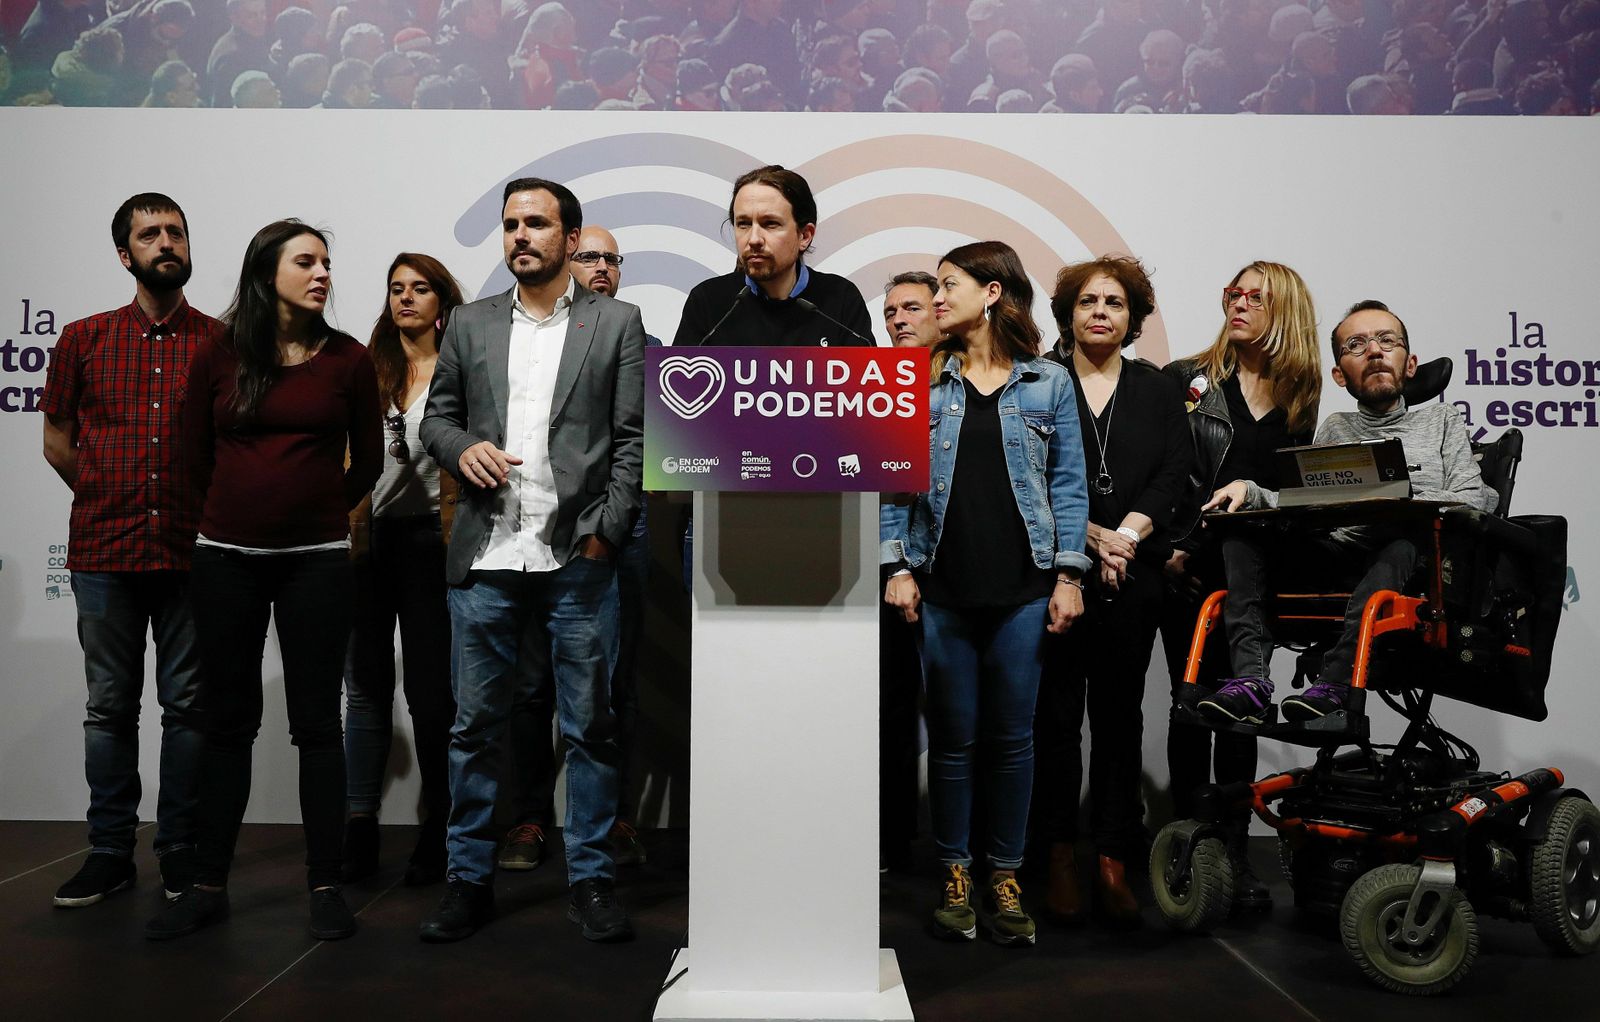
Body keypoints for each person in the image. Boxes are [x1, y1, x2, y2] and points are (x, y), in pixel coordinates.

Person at [418, 178, 645, 944]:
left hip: (577, 557)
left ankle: (591, 881)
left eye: (537, 223)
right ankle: (466, 882)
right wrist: (460, 449)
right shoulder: (470, 322)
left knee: (589, 730)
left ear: (570, 239)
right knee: (473, 730)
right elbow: (437, 419)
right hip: (486, 555)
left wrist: (605, 532)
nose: (520, 235)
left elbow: (632, 441)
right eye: (511, 223)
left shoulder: (617, 322)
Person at [146, 220, 382, 941]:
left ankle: (325, 886)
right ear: (265, 274)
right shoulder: (218, 355)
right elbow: (193, 457)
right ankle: (206, 885)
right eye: (306, 261)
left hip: (317, 563)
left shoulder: (348, 359)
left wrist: (316, 513)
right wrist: (237, 517)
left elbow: (369, 463)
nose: (322, 274)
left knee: (318, 726)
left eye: (327, 263)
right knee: (227, 725)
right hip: (226, 561)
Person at [882, 241, 1091, 947]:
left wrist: (1069, 576)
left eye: (949, 286)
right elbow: (892, 486)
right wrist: (896, 568)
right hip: (942, 589)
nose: (937, 300)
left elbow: (1068, 486)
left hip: (1025, 590)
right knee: (951, 741)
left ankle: (1004, 875)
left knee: (1012, 741)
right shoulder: (917, 378)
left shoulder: (1048, 382)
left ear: (993, 293)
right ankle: (955, 872)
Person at [40, 193, 217, 909]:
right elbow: (57, 442)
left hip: (192, 552)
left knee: (189, 709)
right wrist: (108, 492)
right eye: (150, 235)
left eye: (176, 232)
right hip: (103, 551)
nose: (166, 243)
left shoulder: (222, 343)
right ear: (125, 254)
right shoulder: (82, 339)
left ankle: (178, 848)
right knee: (109, 709)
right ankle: (110, 852)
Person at [1198, 300, 1496, 724]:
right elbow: (1302, 500)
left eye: (1386, 341)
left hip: (1409, 560)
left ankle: (1336, 681)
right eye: (1356, 345)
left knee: (1402, 543)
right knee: (1242, 536)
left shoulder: (1441, 419)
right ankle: (1251, 681)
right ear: (1340, 375)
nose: (1374, 351)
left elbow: (1475, 497)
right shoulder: (1336, 427)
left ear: (1410, 364)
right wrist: (1250, 489)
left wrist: (1400, 498)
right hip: (1337, 556)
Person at [1032, 256, 1190, 927]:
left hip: (1135, 573)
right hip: (1055, 575)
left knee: (1121, 721)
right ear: (1067, 313)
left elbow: (1174, 472)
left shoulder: (1158, 388)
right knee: (1055, 722)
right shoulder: (1039, 381)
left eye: (1115, 303)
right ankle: (1057, 856)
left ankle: (1113, 859)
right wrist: (1090, 538)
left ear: (1133, 318)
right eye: (1088, 301)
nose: (1100, 312)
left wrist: (1123, 537)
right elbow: (1029, 476)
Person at [1159, 260, 1322, 911]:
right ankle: (1188, 850)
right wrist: (1170, 547)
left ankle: (1231, 849)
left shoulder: (1301, 396)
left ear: (1286, 311)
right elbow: (1167, 474)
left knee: (1241, 711)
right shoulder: (1186, 380)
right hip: (1187, 569)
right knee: (1191, 706)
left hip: (1254, 580)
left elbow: (1291, 495)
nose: (1240, 304)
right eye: (1234, 293)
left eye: (1257, 297)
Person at [498, 226, 659, 873]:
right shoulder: (530, 338)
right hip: (542, 529)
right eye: (589, 255)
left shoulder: (648, 345)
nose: (601, 267)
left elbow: (648, 445)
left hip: (625, 531)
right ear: (567, 257)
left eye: (611, 259)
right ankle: (530, 817)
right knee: (532, 683)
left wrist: (610, 526)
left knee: (616, 685)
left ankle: (615, 818)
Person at [341, 254, 468, 888]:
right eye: (396, 289)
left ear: (442, 301)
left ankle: (439, 824)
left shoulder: (462, 369)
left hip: (433, 544)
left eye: (419, 289)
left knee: (430, 692)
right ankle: (358, 824)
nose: (406, 299)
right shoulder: (366, 369)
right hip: (367, 541)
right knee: (365, 688)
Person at [674, 165, 873, 348]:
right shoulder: (708, 302)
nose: (754, 239)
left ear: (804, 236)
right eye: (743, 224)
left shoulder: (841, 299)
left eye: (770, 224)